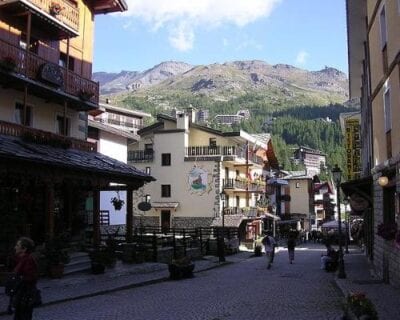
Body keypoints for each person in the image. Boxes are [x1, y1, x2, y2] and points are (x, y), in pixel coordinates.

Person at [12, 237, 39, 320]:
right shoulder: (22, 259)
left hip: (25, 296)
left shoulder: (28, 260)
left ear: (24, 249)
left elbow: (30, 278)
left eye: (17, 245)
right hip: (21, 295)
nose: (15, 247)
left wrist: (18, 279)